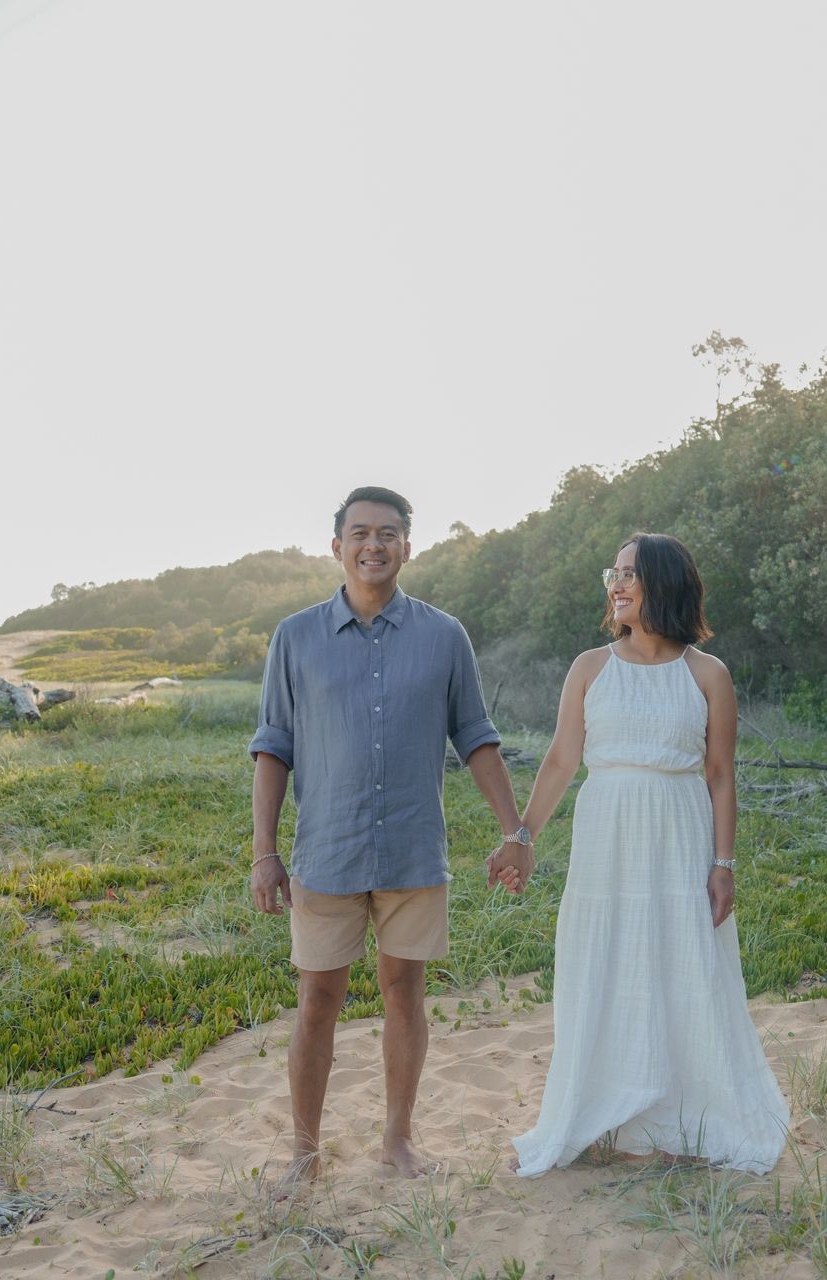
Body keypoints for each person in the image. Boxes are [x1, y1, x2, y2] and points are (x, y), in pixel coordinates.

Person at [249, 485, 533, 1184]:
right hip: (327, 851)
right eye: (360, 533)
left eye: (388, 534)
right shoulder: (295, 637)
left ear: (409, 545)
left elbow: (477, 738)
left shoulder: (444, 636)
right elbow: (273, 747)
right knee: (317, 1002)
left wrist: (515, 830)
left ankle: (397, 1140)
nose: (373, 545)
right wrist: (264, 852)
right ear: (336, 545)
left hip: (412, 850)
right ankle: (305, 1153)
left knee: (405, 993)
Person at [510, 532, 788, 1176]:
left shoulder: (707, 675)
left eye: (631, 573)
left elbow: (720, 774)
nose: (617, 583)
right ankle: (609, 1111)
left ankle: (681, 1116)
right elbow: (560, 761)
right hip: (607, 832)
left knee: (681, 962)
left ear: (663, 584)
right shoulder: (590, 667)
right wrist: (522, 835)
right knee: (606, 959)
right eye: (614, 571)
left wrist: (725, 864)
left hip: (679, 831)